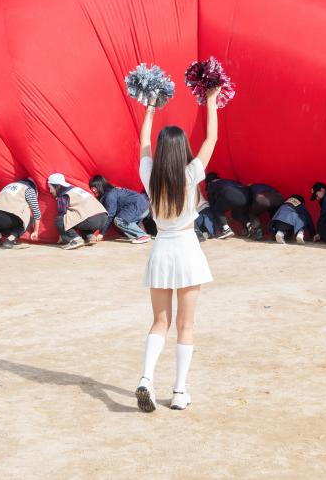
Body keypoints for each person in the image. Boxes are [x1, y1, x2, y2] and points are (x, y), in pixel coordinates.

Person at [135, 87, 220, 413]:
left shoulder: (149, 176)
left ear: (160, 151)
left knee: (159, 322)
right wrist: (211, 102)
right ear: (183, 149)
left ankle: (146, 378)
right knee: (186, 325)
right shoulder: (191, 174)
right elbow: (211, 140)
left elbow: (143, 143)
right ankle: (180, 391)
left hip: (160, 251)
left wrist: (151, 108)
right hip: (186, 249)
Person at [49, 173, 108, 250]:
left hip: (91, 219)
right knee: (78, 217)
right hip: (103, 217)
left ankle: (75, 240)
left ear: (57, 186)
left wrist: (62, 234)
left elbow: (62, 214)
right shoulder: (76, 189)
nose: (50, 191)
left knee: (60, 221)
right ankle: (89, 236)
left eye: (50, 188)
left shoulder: (64, 195)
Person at [90, 174, 151, 244]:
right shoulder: (114, 191)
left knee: (119, 220)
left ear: (99, 186)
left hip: (139, 207)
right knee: (122, 220)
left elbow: (110, 215)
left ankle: (142, 235)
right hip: (143, 207)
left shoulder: (110, 195)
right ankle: (141, 234)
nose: (93, 190)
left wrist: (102, 233)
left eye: (94, 187)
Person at [0, 178, 41, 248]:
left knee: (8, 222)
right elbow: (36, 212)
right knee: (28, 220)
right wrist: (36, 231)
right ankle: (10, 240)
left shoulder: (8, 186)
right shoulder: (29, 189)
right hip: (5, 218)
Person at [204, 174, 246, 239]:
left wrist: (218, 218)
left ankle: (226, 229)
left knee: (216, 209)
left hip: (230, 195)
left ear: (209, 182)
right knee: (236, 214)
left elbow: (212, 203)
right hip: (246, 196)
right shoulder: (229, 181)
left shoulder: (211, 184)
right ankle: (250, 226)